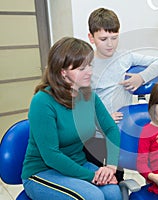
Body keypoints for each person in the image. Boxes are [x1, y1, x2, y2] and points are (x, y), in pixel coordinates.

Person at [21, 37, 122, 200]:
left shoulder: (88, 96)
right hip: (42, 171)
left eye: (90, 65)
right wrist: (93, 176)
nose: (89, 71)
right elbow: (51, 156)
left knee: (113, 192)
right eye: (81, 68)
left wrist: (110, 167)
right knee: (93, 196)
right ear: (63, 72)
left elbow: (110, 129)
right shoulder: (42, 101)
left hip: (77, 164)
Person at [84, 7, 158, 182]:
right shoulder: (86, 65)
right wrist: (102, 119)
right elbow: (80, 106)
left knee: (117, 179)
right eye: (103, 39)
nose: (110, 44)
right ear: (91, 38)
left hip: (120, 132)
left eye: (114, 38)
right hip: (96, 136)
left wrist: (140, 78)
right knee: (96, 179)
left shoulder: (125, 57)